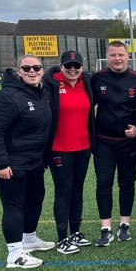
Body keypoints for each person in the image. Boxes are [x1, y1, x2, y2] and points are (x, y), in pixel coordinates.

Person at [0, 55, 54, 268]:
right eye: (27, 68)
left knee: (35, 198)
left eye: (36, 67)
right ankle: (15, 254)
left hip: (32, 159)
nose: (32, 71)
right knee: (14, 206)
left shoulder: (41, 92)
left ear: (42, 70)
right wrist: (1, 163)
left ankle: (29, 238)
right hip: (9, 162)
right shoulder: (6, 96)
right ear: (18, 71)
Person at [90, 41, 136, 246]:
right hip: (103, 142)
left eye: (121, 55)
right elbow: (87, 108)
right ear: (107, 56)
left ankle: (125, 225)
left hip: (129, 143)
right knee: (103, 184)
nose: (117, 58)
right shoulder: (97, 79)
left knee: (127, 183)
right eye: (113, 55)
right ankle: (105, 228)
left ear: (127, 56)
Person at [44, 51, 95, 254]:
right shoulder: (51, 84)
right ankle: (61, 238)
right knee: (63, 191)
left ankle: (75, 232)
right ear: (61, 66)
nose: (72, 69)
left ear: (82, 66)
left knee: (78, 190)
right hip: (59, 149)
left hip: (83, 148)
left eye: (76, 65)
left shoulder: (87, 83)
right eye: (68, 65)